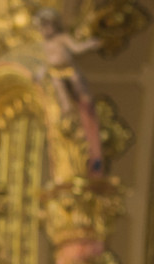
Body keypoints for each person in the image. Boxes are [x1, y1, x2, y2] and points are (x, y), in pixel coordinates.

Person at [33, 7, 104, 174]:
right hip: (56, 72)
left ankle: (82, 102)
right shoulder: (45, 44)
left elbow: (77, 48)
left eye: (48, 26)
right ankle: (67, 108)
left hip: (69, 70)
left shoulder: (62, 38)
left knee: (79, 86)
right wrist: (39, 74)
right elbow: (45, 63)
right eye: (42, 27)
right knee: (59, 87)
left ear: (55, 25)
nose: (46, 30)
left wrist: (89, 44)